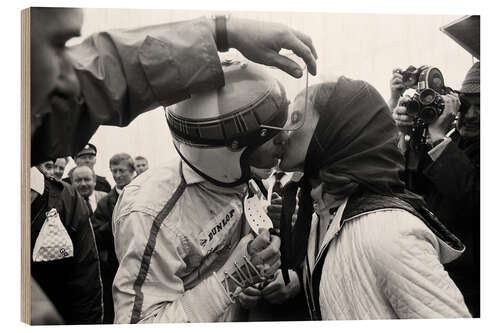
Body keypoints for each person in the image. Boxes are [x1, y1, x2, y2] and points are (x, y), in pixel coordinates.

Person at [274, 77, 471, 319]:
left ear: (337, 129)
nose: (281, 131)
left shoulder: (388, 231)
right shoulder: (322, 214)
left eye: (296, 118)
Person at [112, 61, 286, 323]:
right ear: (228, 150)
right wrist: (233, 278)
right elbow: (143, 324)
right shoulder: (150, 213)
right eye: (270, 136)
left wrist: (253, 281)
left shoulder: (241, 176)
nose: (282, 142)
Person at [30, 8, 317, 166]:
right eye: (59, 47)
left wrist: (220, 31)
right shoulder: (151, 211)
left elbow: (98, 79)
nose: (69, 81)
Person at [391, 62, 480, 316]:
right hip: (438, 276)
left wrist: (439, 138)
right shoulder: (455, 141)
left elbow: (475, 198)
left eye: (482, 107)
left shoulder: (447, 142)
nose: (471, 115)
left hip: (475, 289)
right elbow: (413, 192)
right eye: (466, 105)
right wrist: (407, 133)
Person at [30, 163, 102, 324]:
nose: (83, 184)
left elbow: (86, 279)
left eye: (87, 179)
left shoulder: (68, 198)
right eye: (79, 179)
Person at [92, 153, 135, 323]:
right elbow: (95, 236)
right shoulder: (105, 203)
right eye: (114, 171)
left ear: (132, 171)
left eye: (121, 171)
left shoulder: (146, 194)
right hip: (116, 268)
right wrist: (114, 224)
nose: (117, 175)